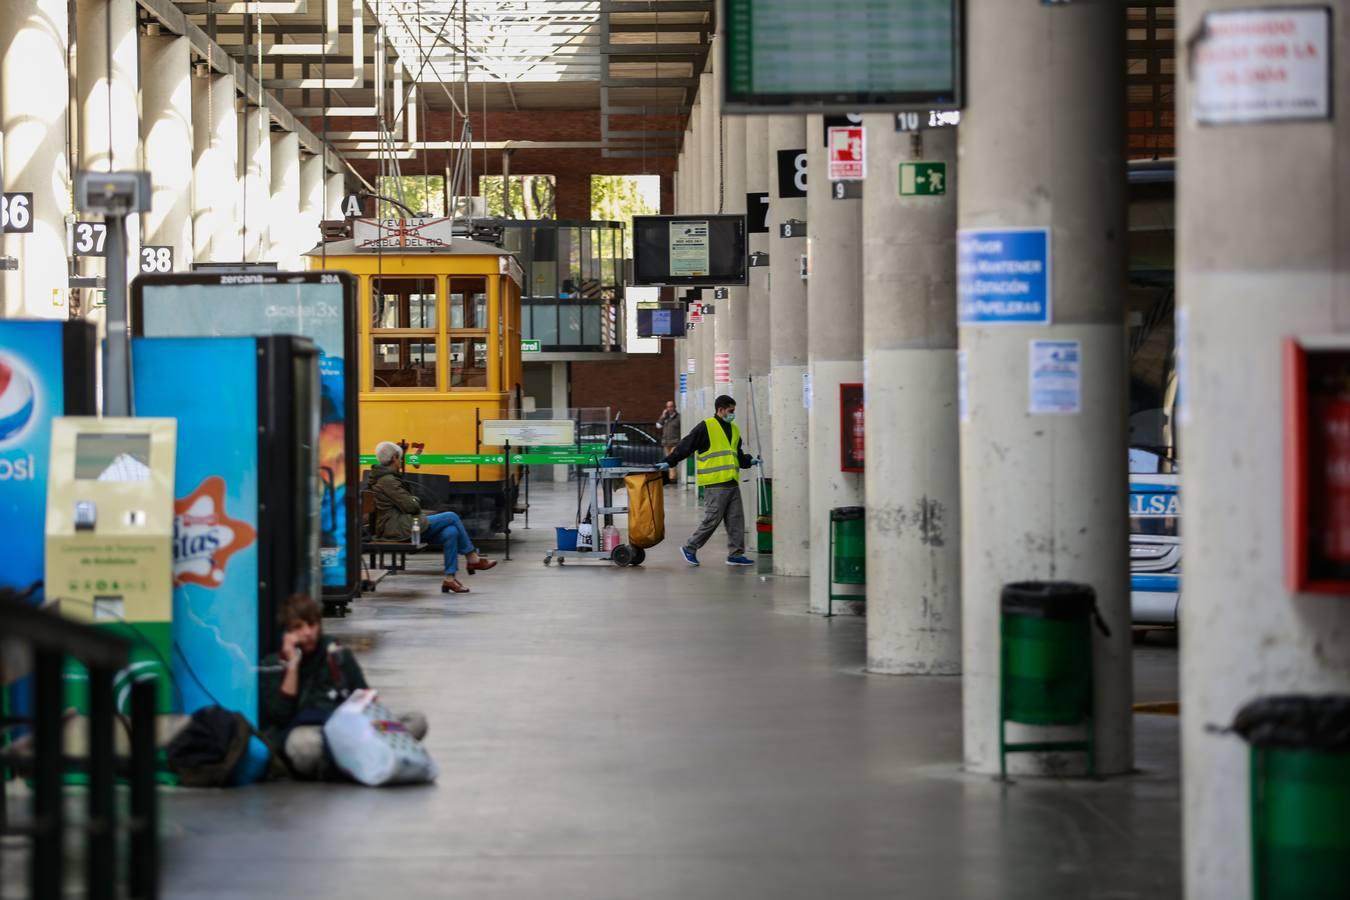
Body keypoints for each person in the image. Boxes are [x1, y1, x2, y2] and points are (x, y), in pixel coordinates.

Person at [259, 593, 428, 780]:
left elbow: (365, 697)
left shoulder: (336, 653)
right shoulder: (274, 664)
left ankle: (351, 760)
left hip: (349, 729)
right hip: (314, 733)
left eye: (312, 625)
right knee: (303, 745)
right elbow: (281, 716)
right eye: (298, 627)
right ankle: (358, 760)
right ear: (286, 633)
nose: (307, 633)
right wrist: (292, 666)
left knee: (416, 720)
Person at [366, 441, 496, 593]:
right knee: (451, 516)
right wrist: (414, 500)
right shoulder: (388, 480)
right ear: (395, 458)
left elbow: (407, 504)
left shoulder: (386, 479)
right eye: (400, 459)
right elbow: (411, 506)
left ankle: (449, 579)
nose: (401, 462)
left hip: (401, 524)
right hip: (396, 528)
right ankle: (472, 558)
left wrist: (411, 500)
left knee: (451, 532)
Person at [657, 394, 759, 567]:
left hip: (732, 482)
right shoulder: (706, 427)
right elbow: (686, 445)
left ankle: (735, 554)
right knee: (712, 520)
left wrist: (749, 461)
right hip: (715, 484)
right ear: (720, 409)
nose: (733, 414)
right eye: (730, 410)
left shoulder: (734, 429)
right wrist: (670, 461)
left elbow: (737, 455)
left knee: (736, 521)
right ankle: (690, 547)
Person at [656, 400, 681, 484]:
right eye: (668, 407)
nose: (669, 408)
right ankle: (671, 478)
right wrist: (662, 416)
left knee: (672, 459)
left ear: (674, 407)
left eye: (671, 406)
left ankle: (672, 479)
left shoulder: (678, 417)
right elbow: (658, 426)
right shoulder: (665, 418)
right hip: (666, 443)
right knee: (667, 461)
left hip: (675, 442)